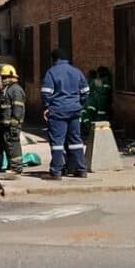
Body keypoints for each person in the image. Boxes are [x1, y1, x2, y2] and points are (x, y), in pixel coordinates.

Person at [41, 48, 90, 180]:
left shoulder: (51, 72)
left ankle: (56, 171)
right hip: (75, 110)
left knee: (57, 142)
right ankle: (81, 169)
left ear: (54, 59)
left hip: (57, 111)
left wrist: (47, 106)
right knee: (76, 140)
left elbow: (46, 92)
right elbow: (85, 91)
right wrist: (79, 104)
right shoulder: (76, 71)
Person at [0, 65, 26, 175]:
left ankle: (16, 168)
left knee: (13, 144)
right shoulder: (9, 89)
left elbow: (18, 106)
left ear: (11, 76)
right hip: (7, 124)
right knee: (9, 144)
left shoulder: (15, 90)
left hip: (12, 124)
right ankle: (13, 166)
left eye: (5, 77)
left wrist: (15, 121)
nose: (3, 80)